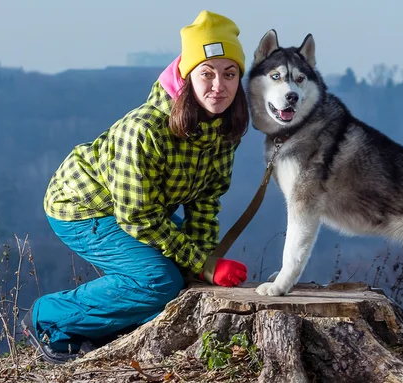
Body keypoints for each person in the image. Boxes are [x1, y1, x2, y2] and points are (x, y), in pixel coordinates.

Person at [20, 10, 249, 364]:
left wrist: (203, 266)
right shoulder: (144, 130)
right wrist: (203, 263)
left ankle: (110, 327)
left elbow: (206, 201)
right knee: (158, 281)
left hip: (139, 209)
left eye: (229, 74)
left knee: (182, 278)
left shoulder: (222, 131)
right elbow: (138, 218)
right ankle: (50, 317)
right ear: (187, 77)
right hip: (83, 207)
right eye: (207, 73)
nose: (219, 85)